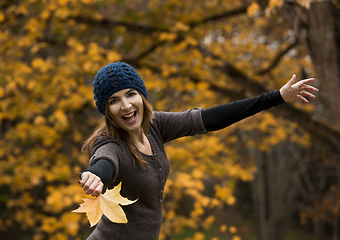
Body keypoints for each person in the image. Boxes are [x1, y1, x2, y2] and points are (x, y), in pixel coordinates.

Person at [79, 62, 318, 240]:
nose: (126, 105)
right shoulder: (111, 145)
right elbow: (105, 161)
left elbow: (211, 118)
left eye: (131, 94)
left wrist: (277, 97)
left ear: (141, 96)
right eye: (114, 100)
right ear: (107, 110)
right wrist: (96, 174)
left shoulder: (154, 126)